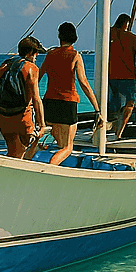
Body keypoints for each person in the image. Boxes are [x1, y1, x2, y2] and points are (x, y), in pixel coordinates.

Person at [37, 22, 99, 166]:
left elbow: (38, 78)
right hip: (67, 103)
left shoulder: (50, 54)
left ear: (59, 36)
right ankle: (51, 169)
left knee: (59, 142)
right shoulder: (75, 55)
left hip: (49, 102)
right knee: (67, 147)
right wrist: (97, 108)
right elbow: (83, 83)